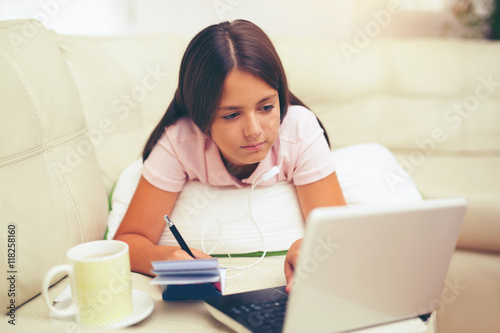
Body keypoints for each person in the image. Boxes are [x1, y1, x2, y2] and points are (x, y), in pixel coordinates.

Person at [114, 19, 346, 291]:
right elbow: (129, 240)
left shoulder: (299, 129)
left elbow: (338, 233)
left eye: (266, 107)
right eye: (232, 115)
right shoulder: (180, 141)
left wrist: (306, 247)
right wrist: (167, 257)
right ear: (202, 119)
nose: (254, 131)